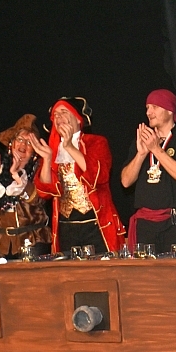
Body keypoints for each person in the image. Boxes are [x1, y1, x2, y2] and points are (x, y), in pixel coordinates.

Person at [33, 97, 125, 255]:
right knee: (69, 270)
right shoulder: (53, 150)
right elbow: (45, 192)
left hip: (96, 225)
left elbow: (98, 177)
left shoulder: (96, 142)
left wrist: (69, 146)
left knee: (102, 268)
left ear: (77, 118)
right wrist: (47, 160)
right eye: (55, 114)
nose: (58, 117)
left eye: (63, 112)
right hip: (66, 227)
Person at [119, 88, 176, 252]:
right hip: (146, 226)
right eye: (147, 108)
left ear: (170, 110)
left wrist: (156, 149)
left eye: (154, 107)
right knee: (147, 269)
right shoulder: (142, 140)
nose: (148, 112)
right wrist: (141, 154)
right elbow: (126, 181)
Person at [0, 113, 52, 258]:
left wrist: (17, 176)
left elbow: (40, 198)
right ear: (11, 144)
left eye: (29, 142)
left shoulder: (39, 171)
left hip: (32, 241)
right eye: (20, 139)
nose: (23, 145)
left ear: (35, 151)